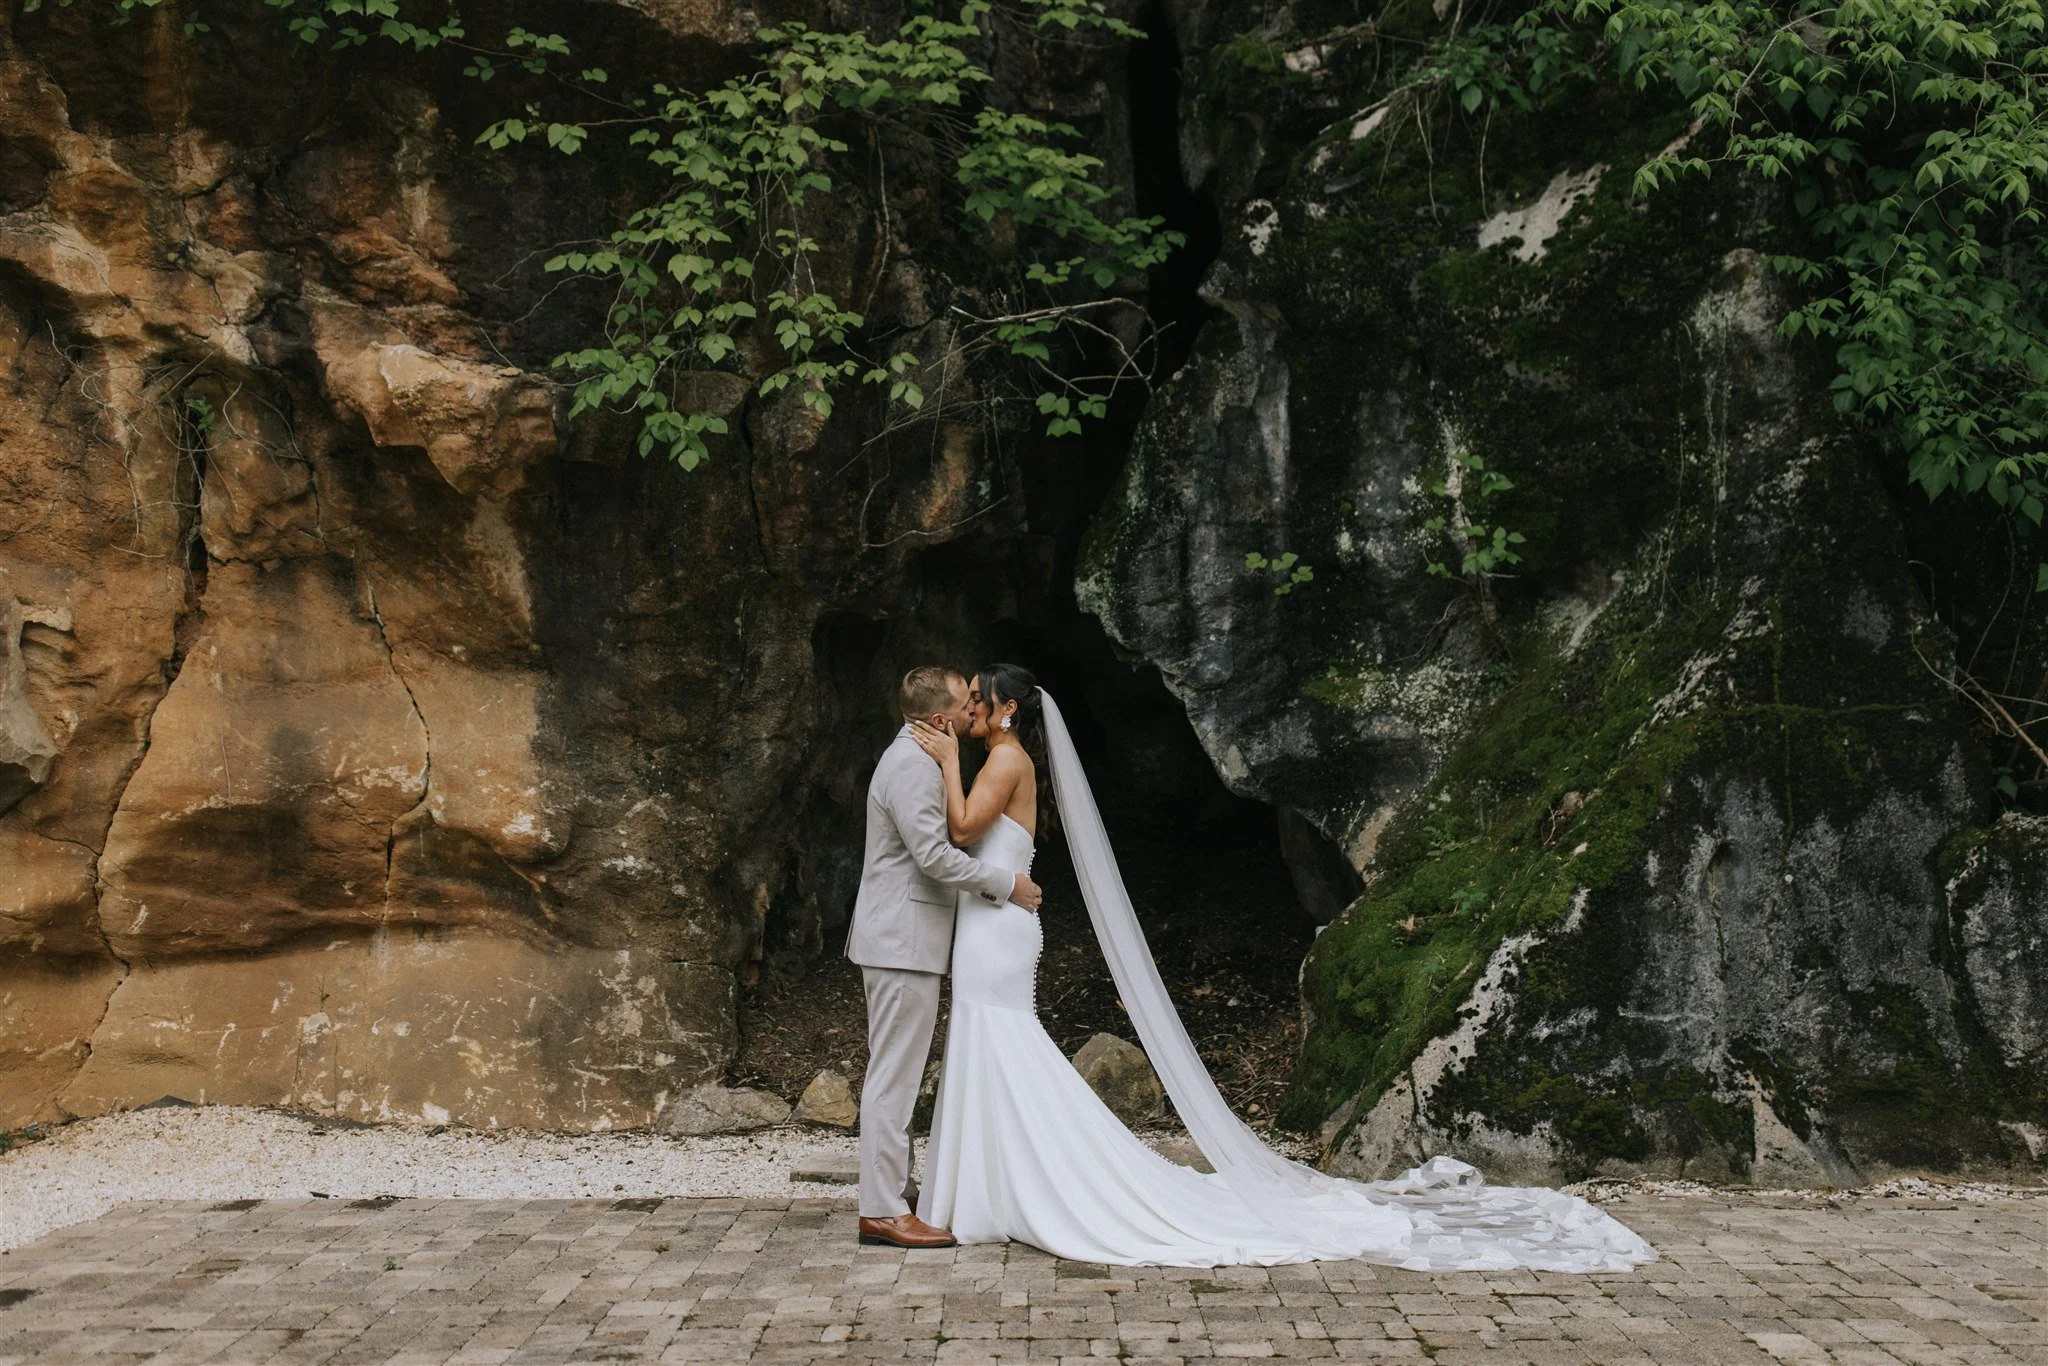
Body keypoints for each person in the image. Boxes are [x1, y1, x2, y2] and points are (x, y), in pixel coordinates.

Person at [903, 663, 1657, 1271]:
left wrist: (942, 762)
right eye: (963, 704)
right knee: (990, 1042)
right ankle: (992, 1189)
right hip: (992, 923)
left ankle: (1024, 1188)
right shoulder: (1003, 754)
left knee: (1004, 1042)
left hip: (997, 932)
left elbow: (966, 826)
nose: (968, 708)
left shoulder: (1002, 759)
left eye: (978, 699)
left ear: (1004, 709)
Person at [844, 665, 1045, 1251]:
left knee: (898, 1070)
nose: (970, 713)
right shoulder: (911, 764)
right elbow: (935, 856)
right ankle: (881, 1210)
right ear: (939, 719)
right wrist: (1006, 884)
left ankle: (891, 1191)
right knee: (895, 1075)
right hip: (901, 940)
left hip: (908, 939)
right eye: (965, 705)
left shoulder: (921, 756)